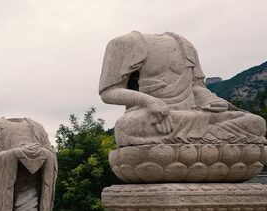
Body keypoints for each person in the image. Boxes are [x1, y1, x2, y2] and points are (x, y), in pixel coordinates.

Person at [99, 31, 266, 146]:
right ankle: (211, 139)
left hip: (193, 114)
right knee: (127, 126)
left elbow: (196, 87)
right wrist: (149, 101)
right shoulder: (123, 43)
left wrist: (213, 100)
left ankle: (198, 140)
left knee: (256, 123)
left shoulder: (185, 45)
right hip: (154, 118)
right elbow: (108, 92)